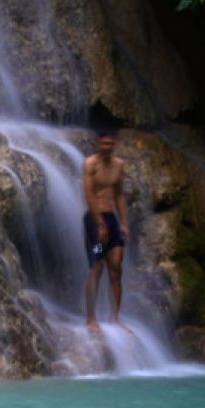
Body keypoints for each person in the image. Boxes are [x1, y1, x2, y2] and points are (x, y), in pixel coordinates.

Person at [83, 129, 130, 332]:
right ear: (98, 143)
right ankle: (91, 318)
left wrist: (124, 222)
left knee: (116, 268)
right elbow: (89, 194)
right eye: (104, 144)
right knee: (96, 267)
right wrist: (99, 223)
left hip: (112, 221)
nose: (107, 148)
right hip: (94, 222)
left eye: (111, 144)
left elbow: (119, 195)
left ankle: (115, 318)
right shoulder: (90, 164)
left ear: (115, 144)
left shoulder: (119, 165)